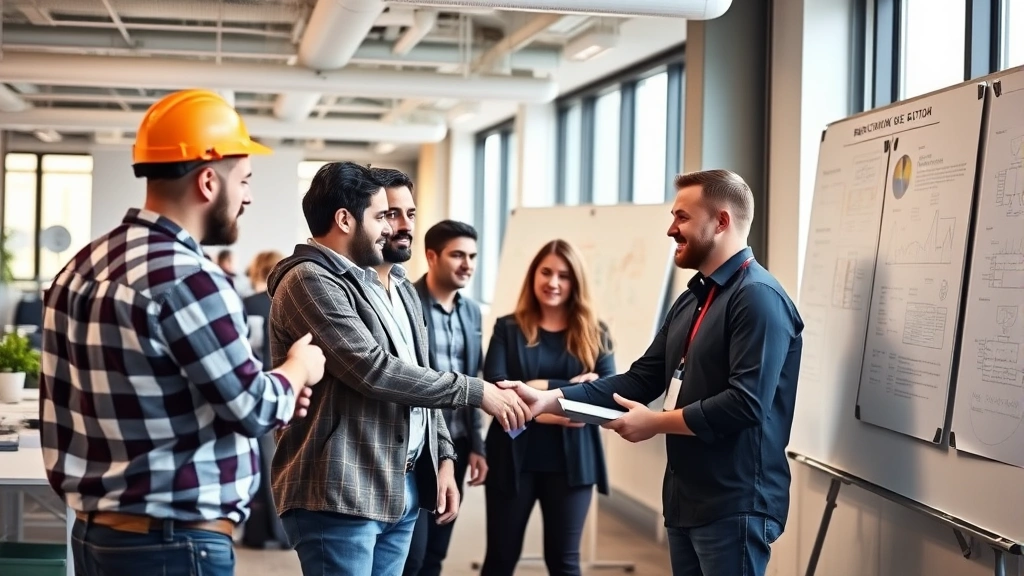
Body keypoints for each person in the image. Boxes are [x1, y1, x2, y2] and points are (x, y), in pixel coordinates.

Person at [39, 89, 326, 576]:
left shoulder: (79, 268)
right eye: (246, 180)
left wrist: (271, 388)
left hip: (93, 535)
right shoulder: (190, 278)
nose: (249, 196)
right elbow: (253, 408)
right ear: (209, 181)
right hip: (172, 544)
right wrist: (297, 370)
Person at [507, 169, 804, 576]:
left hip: (735, 503)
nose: (670, 229)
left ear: (720, 221)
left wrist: (655, 423)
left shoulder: (758, 299)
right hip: (687, 499)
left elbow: (745, 404)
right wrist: (552, 400)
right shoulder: (693, 300)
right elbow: (640, 380)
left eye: (682, 217)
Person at [266, 161, 531, 576]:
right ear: (345, 219)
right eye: (382, 216)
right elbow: (374, 371)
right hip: (341, 488)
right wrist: (477, 391)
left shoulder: (402, 287)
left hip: (399, 483)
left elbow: (420, 374)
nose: (391, 228)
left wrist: (443, 455)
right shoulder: (309, 280)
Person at [479, 239, 616, 576]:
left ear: (575, 282)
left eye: (564, 276)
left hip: (573, 465)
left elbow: (608, 397)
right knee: (500, 558)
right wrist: (571, 394)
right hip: (512, 459)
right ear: (534, 275)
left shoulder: (596, 332)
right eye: (546, 272)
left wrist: (535, 390)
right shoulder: (508, 328)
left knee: (565, 562)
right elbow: (497, 390)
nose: (553, 282)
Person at [404, 220, 489, 576]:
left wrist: (477, 445)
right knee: (413, 555)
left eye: (472, 255)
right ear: (431, 256)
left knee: (438, 550)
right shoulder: (406, 303)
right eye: (457, 255)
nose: (467, 264)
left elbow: (474, 379)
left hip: (460, 438)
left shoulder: (470, 311)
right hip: (420, 446)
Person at [240, 249, 289, 549]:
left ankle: (256, 533)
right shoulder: (287, 302)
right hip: (288, 388)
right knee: (282, 464)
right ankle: (284, 534)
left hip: (251, 390)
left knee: (255, 465)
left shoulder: (243, 305)